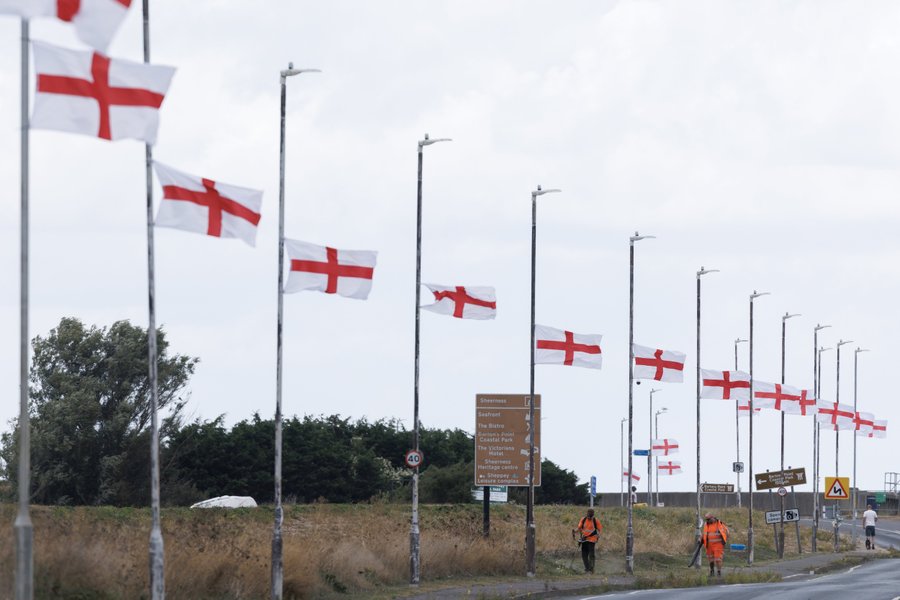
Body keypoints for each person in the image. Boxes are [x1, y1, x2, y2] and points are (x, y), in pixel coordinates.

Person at [573, 508, 603, 573]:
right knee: (584, 555)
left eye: (591, 516)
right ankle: (587, 568)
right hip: (584, 540)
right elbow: (579, 528)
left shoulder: (595, 520)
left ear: (593, 515)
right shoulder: (583, 519)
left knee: (591, 555)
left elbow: (600, 530)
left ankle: (591, 569)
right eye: (589, 516)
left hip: (592, 540)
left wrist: (598, 535)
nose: (590, 518)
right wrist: (574, 531)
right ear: (587, 514)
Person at [701, 512, 728, 577]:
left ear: (713, 518)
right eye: (706, 519)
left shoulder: (719, 524)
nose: (707, 521)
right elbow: (704, 534)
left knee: (718, 559)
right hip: (709, 545)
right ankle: (712, 571)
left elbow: (727, 532)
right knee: (711, 559)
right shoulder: (706, 525)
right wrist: (701, 539)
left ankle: (719, 572)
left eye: (708, 519)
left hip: (718, 545)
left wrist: (724, 541)